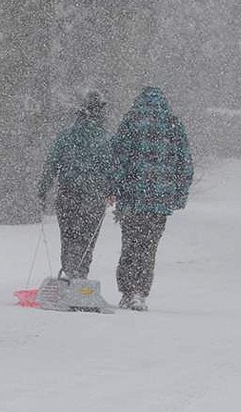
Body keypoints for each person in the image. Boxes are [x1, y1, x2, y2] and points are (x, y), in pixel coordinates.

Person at [111, 86, 193, 311]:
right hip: (160, 199)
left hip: (132, 198)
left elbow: (118, 158)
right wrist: (179, 196)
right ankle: (140, 292)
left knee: (130, 244)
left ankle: (126, 291)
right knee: (148, 247)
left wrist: (114, 188)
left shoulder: (130, 122)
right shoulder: (174, 125)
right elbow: (184, 164)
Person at [38, 90, 114, 280]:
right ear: (100, 113)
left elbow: (52, 163)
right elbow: (113, 168)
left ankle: (69, 271)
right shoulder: (106, 139)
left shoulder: (66, 136)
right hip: (94, 196)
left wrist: (43, 188)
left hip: (67, 193)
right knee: (87, 238)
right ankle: (81, 274)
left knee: (69, 236)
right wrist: (113, 190)